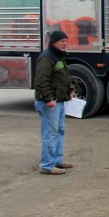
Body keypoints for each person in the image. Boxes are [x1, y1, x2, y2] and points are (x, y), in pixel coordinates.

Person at [34, 30, 74, 175]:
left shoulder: (58, 56)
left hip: (59, 101)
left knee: (59, 131)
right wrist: (48, 99)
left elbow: (63, 77)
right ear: (53, 43)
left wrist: (69, 91)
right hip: (50, 103)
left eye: (66, 40)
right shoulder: (46, 58)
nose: (65, 43)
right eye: (62, 41)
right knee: (50, 134)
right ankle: (47, 165)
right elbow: (41, 81)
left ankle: (57, 160)